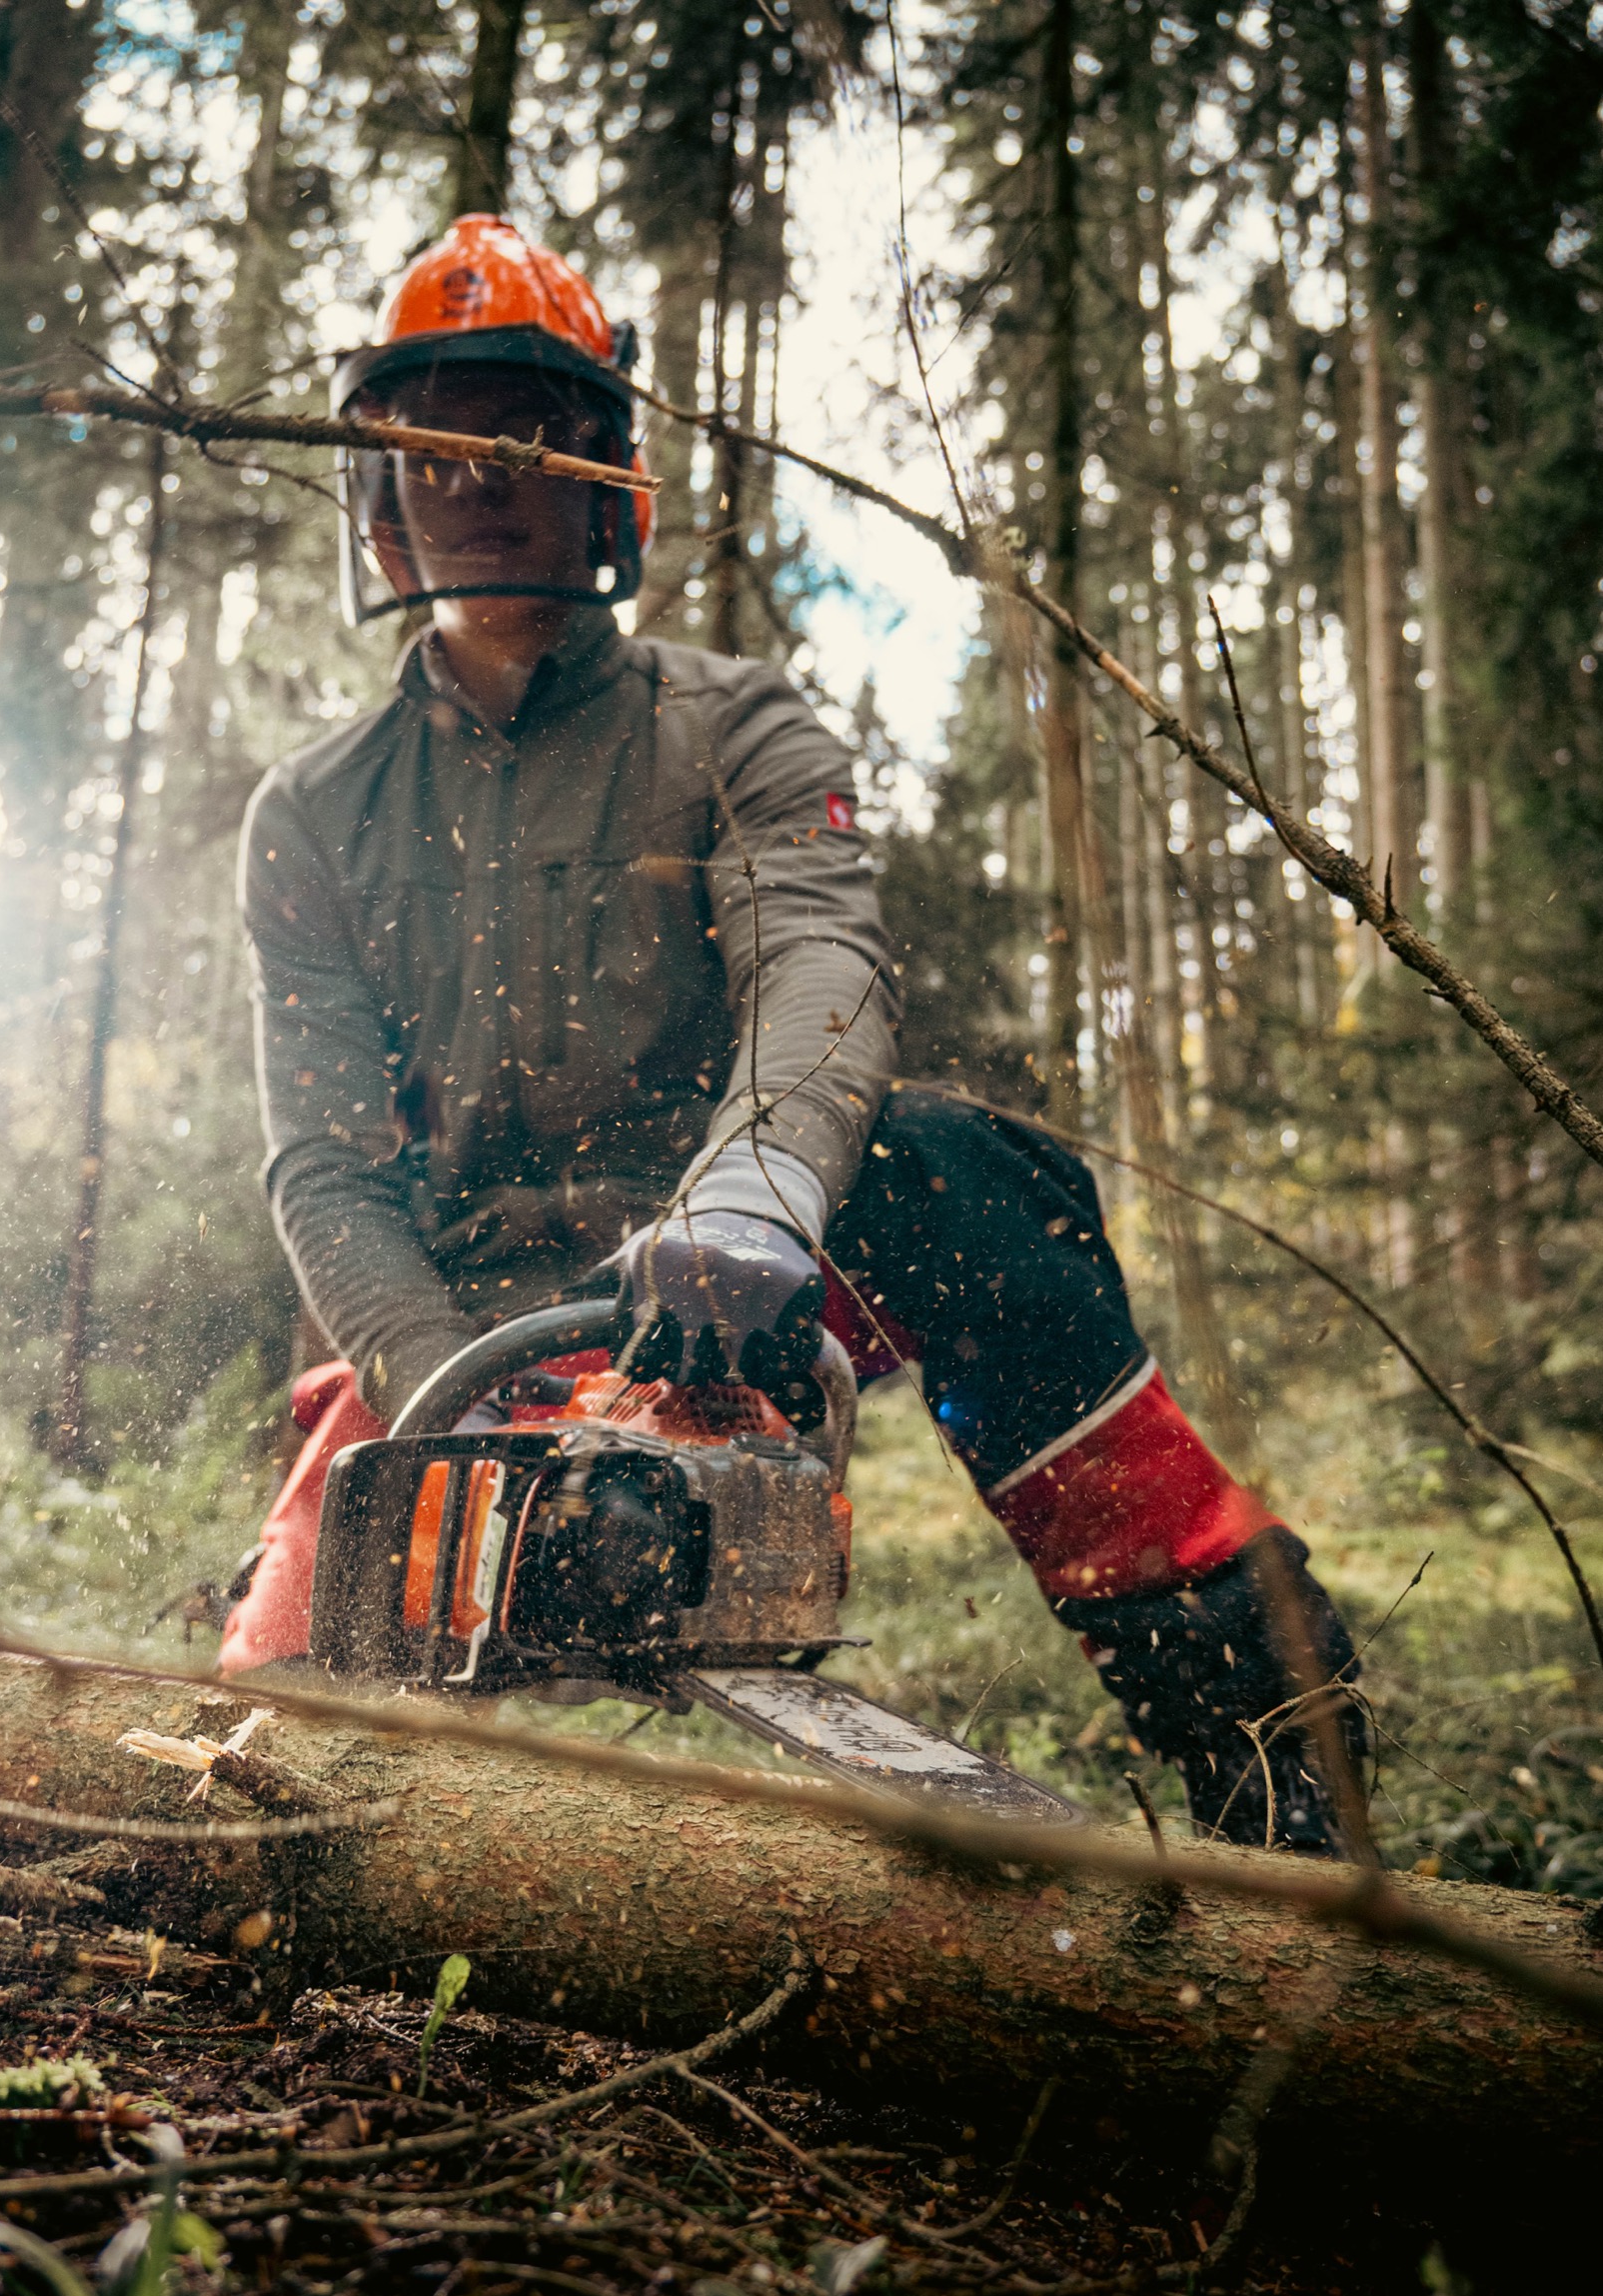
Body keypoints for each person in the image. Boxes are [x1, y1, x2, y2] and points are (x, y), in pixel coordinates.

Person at [223, 215, 1369, 1854]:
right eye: (430, 435)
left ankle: (1249, 1710)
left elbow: (820, 961)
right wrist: (437, 1389)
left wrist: (753, 1189)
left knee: (978, 1187)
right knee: (258, 1761)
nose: (475, 472)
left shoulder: (732, 722)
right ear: (377, 488)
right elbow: (324, 1166)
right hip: (470, 1319)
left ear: (604, 467)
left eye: (522, 429)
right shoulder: (314, 810)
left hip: (729, 1280)